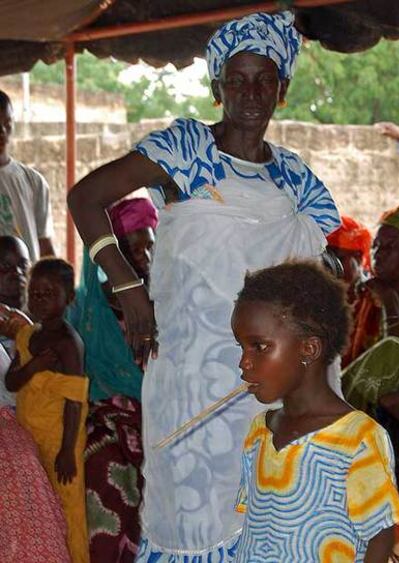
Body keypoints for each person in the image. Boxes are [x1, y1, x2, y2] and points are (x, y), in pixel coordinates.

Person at [68, 12, 341, 561]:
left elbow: (320, 270)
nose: (250, 93)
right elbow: (85, 197)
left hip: (271, 387)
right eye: (236, 80)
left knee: (271, 513)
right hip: (193, 383)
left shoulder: (294, 178)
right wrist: (126, 286)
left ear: (282, 89)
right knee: (194, 517)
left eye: (264, 79)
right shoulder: (186, 150)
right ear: (217, 87)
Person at [232, 260, 399, 562]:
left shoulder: (358, 439)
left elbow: (380, 537)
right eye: (241, 347)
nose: (243, 363)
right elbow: (257, 527)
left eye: (259, 347)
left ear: (308, 349)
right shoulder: (260, 430)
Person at [68, 197, 157, 563]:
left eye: (149, 246)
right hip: (104, 415)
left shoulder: (165, 300)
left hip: (159, 415)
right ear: (113, 255)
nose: (145, 258)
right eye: (133, 250)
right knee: (104, 465)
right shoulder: (87, 308)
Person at [5, 258, 90, 563]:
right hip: (29, 436)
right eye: (35, 292)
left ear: (69, 298)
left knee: (68, 510)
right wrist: (34, 366)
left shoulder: (69, 344)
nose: (40, 299)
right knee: (41, 508)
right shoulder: (27, 336)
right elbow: (12, 381)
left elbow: (74, 400)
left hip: (59, 439)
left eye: (49, 293)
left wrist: (68, 449)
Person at [341, 205, 399, 559]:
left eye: (390, 247)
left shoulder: (382, 299)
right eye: (377, 246)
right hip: (368, 441)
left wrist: (391, 304)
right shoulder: (365, 297)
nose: (378, 254)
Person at [0, 90, 55, 261]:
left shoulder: (34, 182)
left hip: (24, 286)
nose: (2, 131)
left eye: (7, 123)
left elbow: (44, 244)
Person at [327, 216, 372, 366]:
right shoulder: (318, 298)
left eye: (338, 259)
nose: (331, 267)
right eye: (326, 260)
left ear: (358, 257)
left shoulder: (374, 299)